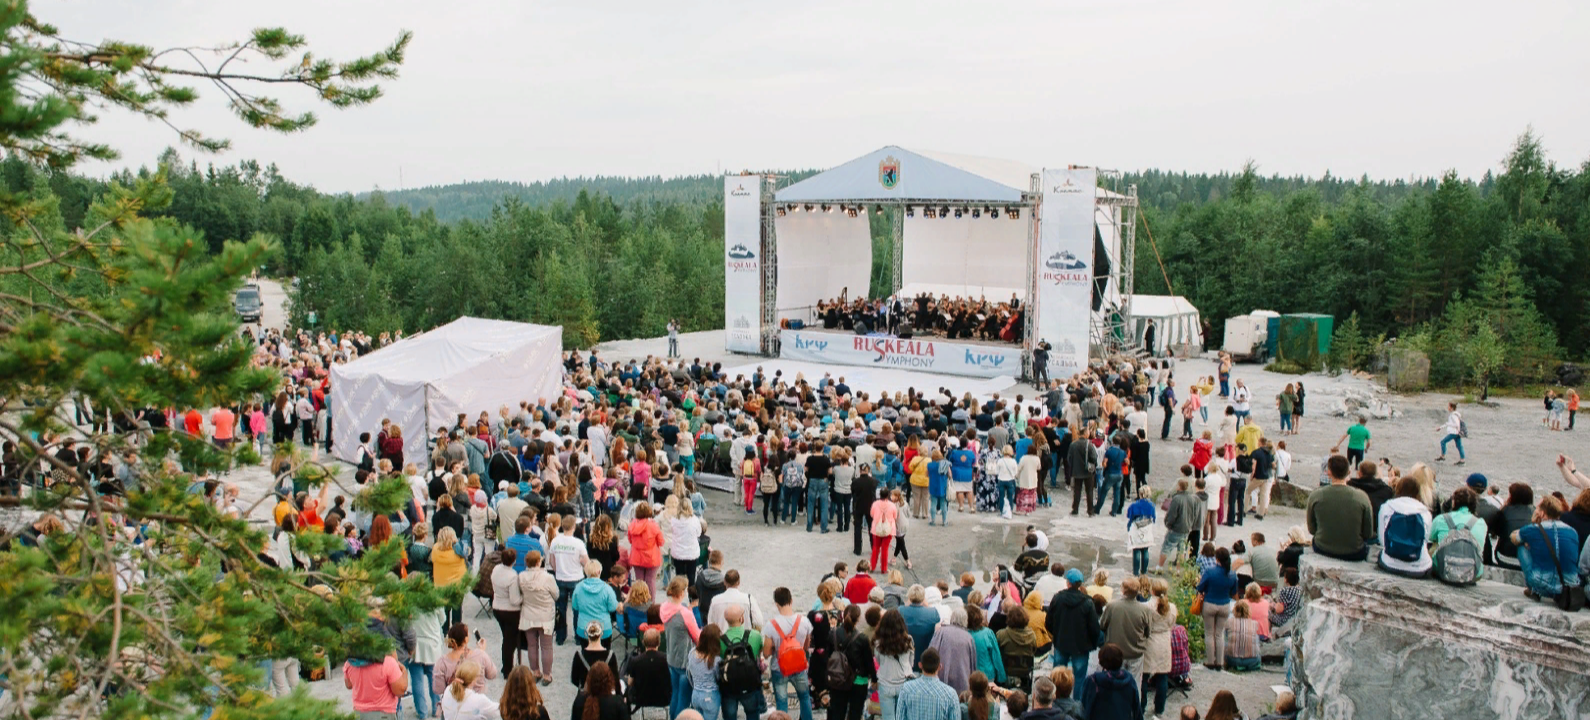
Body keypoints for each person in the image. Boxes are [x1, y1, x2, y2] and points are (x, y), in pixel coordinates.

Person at [1510, 495, 1583, 601]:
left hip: (1541, 585)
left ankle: (1533, 589)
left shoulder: (1533, 529)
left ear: (1543, 513)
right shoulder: (1572, 532)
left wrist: (1533, 523)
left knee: (1521, 546)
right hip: (1567, 588)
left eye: (1538, 508)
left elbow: (1514, 537)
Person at [1306, 455, 1374, 561]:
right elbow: (1368, 533)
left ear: (1329, 472)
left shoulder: (1316, 496)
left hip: (1322, 547)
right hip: (1354, 552)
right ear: (1349, 472)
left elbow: (1312, 529)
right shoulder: (1361, 497)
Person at [763, 586, 815, 720]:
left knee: (781, 701)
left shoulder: (771, 625)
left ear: (776, 604)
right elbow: (806, 646)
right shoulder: (804, 621)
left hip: (779, 668)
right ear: (791, 600)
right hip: (799, 666)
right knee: (804, 697)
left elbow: (767, 653)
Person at [1045, 569, 1098, 701]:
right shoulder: (1087, 602)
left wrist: (1056, 634)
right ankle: (1076, 704)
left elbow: (1048, 621)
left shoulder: (1058, 598)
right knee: (1079, 677)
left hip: (1061, 642)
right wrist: (1092, 643)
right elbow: (1094, 627)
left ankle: (1056, 700)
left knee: (1057, 675)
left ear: (1068, 583)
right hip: (1081, 646)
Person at [1099, 577, 1153, 689]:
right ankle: (1133, 705)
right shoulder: (1144, 610)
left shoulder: (1112, 606)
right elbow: (1148, 632)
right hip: (1135, 652)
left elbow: (1102, 625)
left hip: (1115, 652)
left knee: (1114, 683)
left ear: (1123, 590)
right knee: (1135, 684)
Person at [661, 576, 703, 719]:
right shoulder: (685, 613)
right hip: (685, 660)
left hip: (671, 656)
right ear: (681, 593)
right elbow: (697, 637)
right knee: (684, 698)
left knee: (675, 694)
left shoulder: (664, 607)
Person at [1377, 476, 1435, 578]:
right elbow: (1425, 540)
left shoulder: (1387, 507)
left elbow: (1382, 539)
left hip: (1390, 563)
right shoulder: (1425, 512)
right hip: (1419, 567)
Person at [517, 550, 559, 684]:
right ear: (538, 562)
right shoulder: (548, 578)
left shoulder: (521, 576)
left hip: (528, 614)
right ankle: (547, 675)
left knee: (532, 645)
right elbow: (556, 595)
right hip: (545, 615)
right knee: (546, 646)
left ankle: (535, 671)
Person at [1196, 547, 1240, 671]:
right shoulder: (1232, 574)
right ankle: (1220, 662)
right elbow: (1233, 591)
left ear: (1217, 558)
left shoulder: (1210, 572)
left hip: (1210, 603)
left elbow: (1200, 588)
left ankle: (1210, 661)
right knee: (1219, 634)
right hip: (1224, 604)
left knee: (1209, 633)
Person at [434, 623, 499, 700]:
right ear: (465, 640)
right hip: (477, 703)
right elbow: (492, 674)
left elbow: (439, 690)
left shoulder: (442, 662)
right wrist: (481, 651)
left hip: (454, 703)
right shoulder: (479, 655)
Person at [344, 646, 410, 720]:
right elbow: (400, 691)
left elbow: (348, 685)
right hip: (383, 714)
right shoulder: (388, 662)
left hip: (359, 714)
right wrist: (404, 672)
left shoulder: (350, 663)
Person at [895, 648, 961, 720]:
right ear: (939, 667)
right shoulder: (951, 694)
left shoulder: (906, 689)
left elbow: (900, 717)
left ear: (920, 665)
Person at [874, 609, 916, 720]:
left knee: (888, 717)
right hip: (904, 682)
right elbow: (911, 661)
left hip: (885, 682)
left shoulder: (879, 643)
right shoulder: (908, 640)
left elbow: (879, 661)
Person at [1080, 643, 1141, 720]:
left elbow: (1084, 707)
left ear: (1101, 661)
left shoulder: (1093, 681)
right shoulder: (1129, 680)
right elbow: (1136, 709)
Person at [928, 608, 977, 695]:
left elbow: (931, 651)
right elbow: (973, 664)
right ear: (965, 620)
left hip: (941, 676)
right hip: (962, 681)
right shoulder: (969, 638)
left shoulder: (941, 632)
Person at [624, 630, 671, 715]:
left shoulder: (635, 660)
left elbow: (630, 682)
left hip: (641, 699)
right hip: (663, 699)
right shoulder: (667, 659)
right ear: (659, 643)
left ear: (643, 642)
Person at [492, 547, 524, 673]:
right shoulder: (512, 576)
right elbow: (514, 600)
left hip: (497, 607)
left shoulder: (496, 569)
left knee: (506, 638)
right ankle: (507, 669)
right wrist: (523, 597)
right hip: (510, 611)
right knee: (509, 641)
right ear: (514, 561)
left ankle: (506, 664)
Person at [996, 605, 1037, 694]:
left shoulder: (1001, 635)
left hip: (1007, 671)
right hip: (1025, 671)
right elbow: (1034, 651)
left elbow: (997, 654)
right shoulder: (1032, 635)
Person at [626, 502, 664, 598]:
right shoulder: (653, 525)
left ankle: (640, 601)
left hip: (637, 557)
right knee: (650, 581)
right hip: (652, 558)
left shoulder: (632, 525)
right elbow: (661, 542)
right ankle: (651, 604)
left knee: (639, 581)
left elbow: (630, 540)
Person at [688, 623, 724, 719]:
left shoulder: (692, 653)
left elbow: (689, 671)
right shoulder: (716, 660)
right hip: (710, 696)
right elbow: (718, 677)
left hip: (695, 694)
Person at [1125, 488, 1156, 575]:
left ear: (1140, 494)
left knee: (1136, 550)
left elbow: (1129, 516)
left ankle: (1135, 573)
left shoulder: (1134, 505)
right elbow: (1153, 517)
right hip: (1147, 529)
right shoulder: (1152, 505)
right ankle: (1144, 571)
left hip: (1136, 530)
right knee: (1145, 550)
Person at [871, 487, 900, 574]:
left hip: (876, 529)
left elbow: (872, 514)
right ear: (888, 495)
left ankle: (872, 566)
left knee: (875, 548)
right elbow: (895, 517)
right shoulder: (892, 505)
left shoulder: (875, 504)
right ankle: (884, 568)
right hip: (888, 530)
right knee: (885, 549)